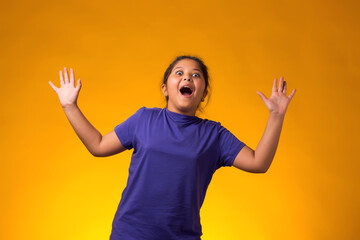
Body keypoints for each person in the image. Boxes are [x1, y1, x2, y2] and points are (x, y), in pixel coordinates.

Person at [49, 55, 296, 240]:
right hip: (130, 234)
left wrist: (276, 116)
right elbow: (98, 145)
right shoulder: (144, 119)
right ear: (165, 89)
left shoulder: (214, 135)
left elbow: (258, 162)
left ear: (203, 94)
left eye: (196, 75)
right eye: (179, 73)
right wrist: (70, 106)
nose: (187, 77)